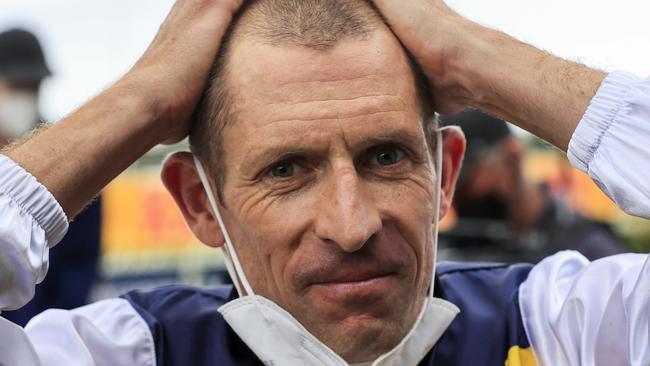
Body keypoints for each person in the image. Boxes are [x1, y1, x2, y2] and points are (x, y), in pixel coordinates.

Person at [0, 1, 648, 365]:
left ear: (444, 173)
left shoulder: (566, 329)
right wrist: (142, 101)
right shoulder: (127, 354)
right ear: (201, 202)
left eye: (387, 157)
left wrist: (479, 57)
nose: (352, 222)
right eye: (286, 170)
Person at [0, 28, 102, 327]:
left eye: (33, 86)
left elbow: (80, 266)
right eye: (17, 85)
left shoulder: (70, 160)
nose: (26, 95)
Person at [438, 109, 626, 263]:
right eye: (443, 185)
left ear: (511, 159)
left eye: (463, 182)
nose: (452, 197)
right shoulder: (453, 253)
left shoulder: (588, 249)